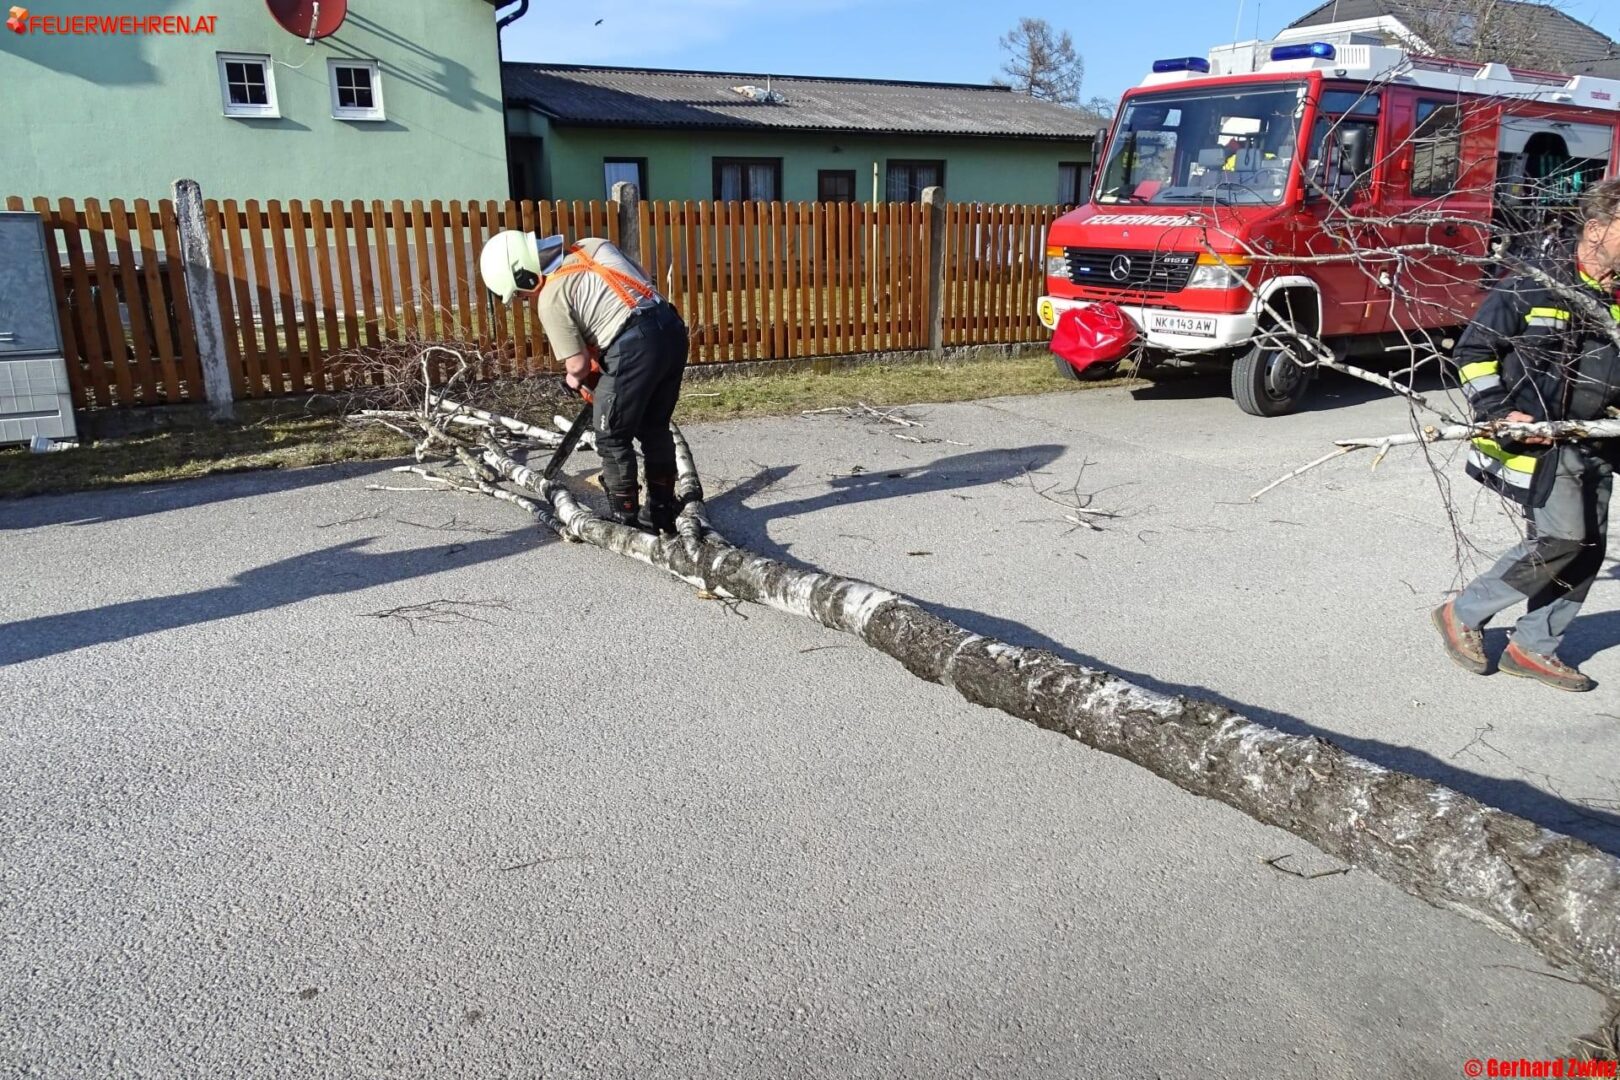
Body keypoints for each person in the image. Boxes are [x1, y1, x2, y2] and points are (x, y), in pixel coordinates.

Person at [1432, 178, 1620, 692]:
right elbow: (1471, 353)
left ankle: (1534, 647)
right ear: (1597, 228)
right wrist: (1500, 411)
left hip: (1596, 441)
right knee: (1562, 538)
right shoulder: (1534, 283)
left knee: (1588, 548)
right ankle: (1463, 612)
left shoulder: (1617, 293)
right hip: (1539, 444)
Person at [478, 231, 689, 534]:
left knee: (611, 436)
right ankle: (661, 511)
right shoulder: (593, 245)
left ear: (524, 276)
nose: (525, 300)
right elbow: (642, 278)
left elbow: (576, 364)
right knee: (655, 427)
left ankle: (626, 522)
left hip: (633, 347)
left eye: (521, 295)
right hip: (670, 329)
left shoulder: (550, 298)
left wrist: (574, 379)